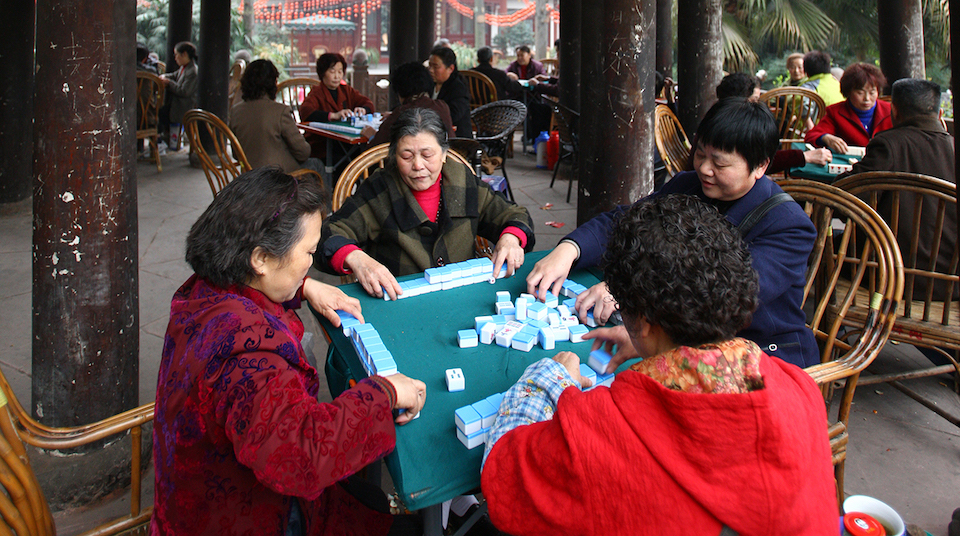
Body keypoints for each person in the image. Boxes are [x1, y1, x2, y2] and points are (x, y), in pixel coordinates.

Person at [481, 194, 838, 535]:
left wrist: (548, 378)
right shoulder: (799, 388)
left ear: (645, 320)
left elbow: (504, 479)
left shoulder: (603, 429)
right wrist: (652, 349)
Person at [151, 168, 428, 535]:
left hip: (193, 496)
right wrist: (386, 392)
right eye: (309, 252)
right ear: (261, 258)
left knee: (366, 499)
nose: (311, 263)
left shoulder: (204, 291)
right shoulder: (245, 352)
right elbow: (300, 456)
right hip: (242, 515)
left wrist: (305, 287)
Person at [527, 98, 819, 369]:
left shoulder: (788, 226)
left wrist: (630, 289)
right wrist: (569, 249)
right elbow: (628, 222)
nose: (704, 169)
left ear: (760, 166)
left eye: (720, 163)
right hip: (676, 333)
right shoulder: (686, 185)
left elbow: (726, 296)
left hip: (760, 353)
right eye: (700, 154)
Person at [317, 108, 534, 300]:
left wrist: (511, 238)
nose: (418, 165)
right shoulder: (380, 189)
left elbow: (513, 214)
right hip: (399, 300)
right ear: (394, 157)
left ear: (444, 154)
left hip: (462, 295)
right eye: (406, 155)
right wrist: (356, 258)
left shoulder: (462, 181)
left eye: (427, 154)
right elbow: (328, 233)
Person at [838, 78, 956, 301]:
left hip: (886, 275)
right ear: (940, 113)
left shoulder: (889, 145)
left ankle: (829, 329)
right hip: (951, 286)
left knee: (823, 244)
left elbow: (843, 201)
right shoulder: (953, 149)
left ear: (894, 111)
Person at [702, 73, 832, 173]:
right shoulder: (730, 126)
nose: (758, 105)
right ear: (740, 101)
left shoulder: (715, 115)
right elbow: (758, 161)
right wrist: (804, 157)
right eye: (755, 100)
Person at [229, 59, 321, 175]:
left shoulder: (235, 111)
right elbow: (303, 153)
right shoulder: (280, 111)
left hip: (248, 176)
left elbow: (236, 154)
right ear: (273, 83)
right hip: (277, 177)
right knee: (317, 164)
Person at [805, 63, 892, 153]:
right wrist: (826, 138)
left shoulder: (890, 110)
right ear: (848, 91)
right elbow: (811, 136)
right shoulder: (836, 112)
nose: (867, 98)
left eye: (872, 92)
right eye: (860, 93)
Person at [301, 52, 375, 157]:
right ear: (322, 73)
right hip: (322, 144)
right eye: (332, 72)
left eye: (340, 72)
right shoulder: (317, 92)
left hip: (345, 141)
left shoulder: (346, 90)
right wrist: (333, 115)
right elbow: (305, 111)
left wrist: (363, 109)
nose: (337, 76)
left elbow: (368, 103)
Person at [368, 62, 455, 147]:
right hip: (447, 158)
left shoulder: (399, 114)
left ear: (399, 91)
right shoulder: (442, 106)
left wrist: (372, 135)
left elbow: (374, 150)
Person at [158, 41, 198, 149]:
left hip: (184, 105)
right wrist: (165, 77)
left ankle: (164, 138)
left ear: (184, 54)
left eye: (176, 55)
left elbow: (184, 91)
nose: (175, 58)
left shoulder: (192, 71)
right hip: (177, 103)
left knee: (160, 115)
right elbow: (174, 75)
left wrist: (168, 83)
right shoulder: (185, 68)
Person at [427, 47, 474, 139]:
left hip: (456, 139)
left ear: (450, 68)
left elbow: (453, 115)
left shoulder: (458, 88)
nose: (431, 70)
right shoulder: (429, 84)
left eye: (436, 67)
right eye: (429, 66)